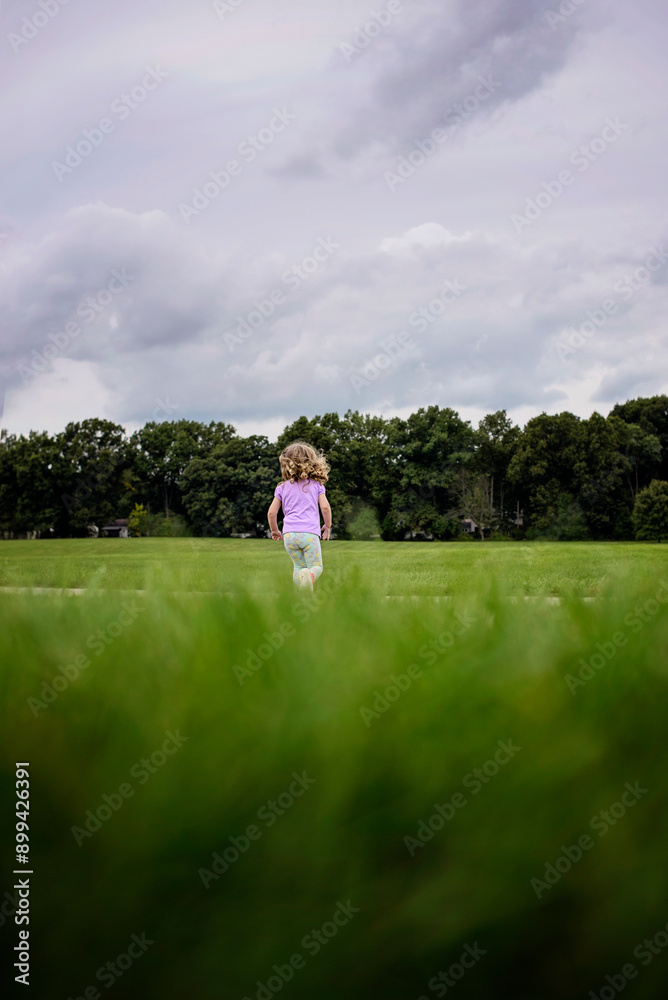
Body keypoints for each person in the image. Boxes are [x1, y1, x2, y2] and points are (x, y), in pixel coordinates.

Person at [267, 440, 332, 590]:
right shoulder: (317, 485)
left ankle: (301, 595)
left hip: (289, 535)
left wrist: (275, 530)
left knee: (298, 566)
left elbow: (271, 513)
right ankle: (310, 578)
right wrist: (327, 526)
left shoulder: (282, 488)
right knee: (316, 566)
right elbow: (326, 508)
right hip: (309, 534)